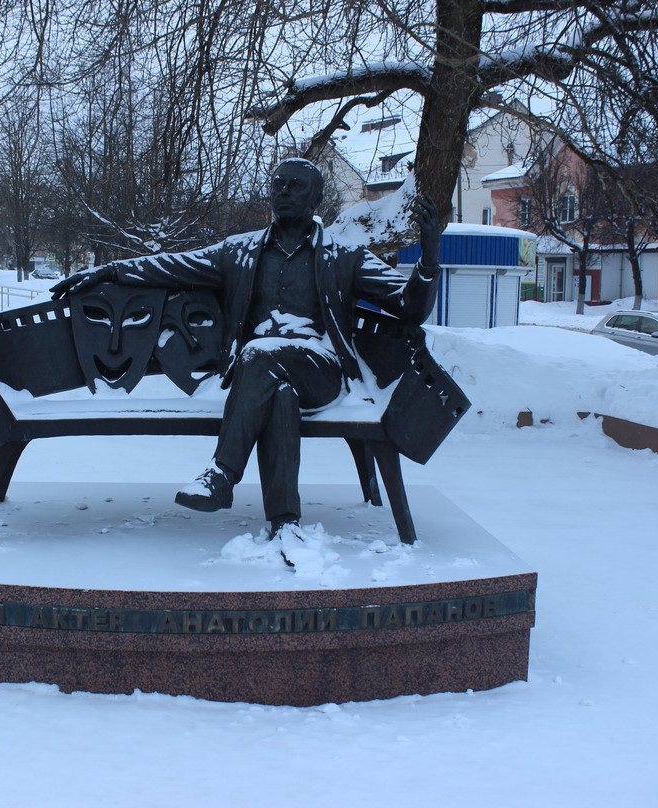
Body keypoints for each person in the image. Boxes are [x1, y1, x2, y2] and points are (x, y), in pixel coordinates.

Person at [52, 159, 440, 553]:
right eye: (279, 184)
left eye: (296, 186)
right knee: (279, 395)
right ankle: (285, 522)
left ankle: (222, 473)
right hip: (262, 378)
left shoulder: (344, 255)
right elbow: (174, 265)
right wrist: (113, 271)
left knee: (260, 354)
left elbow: (409, 307)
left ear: (318, 197)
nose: (284, 192)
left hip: (321, 373)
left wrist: (428, 262)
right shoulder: (239, 252)